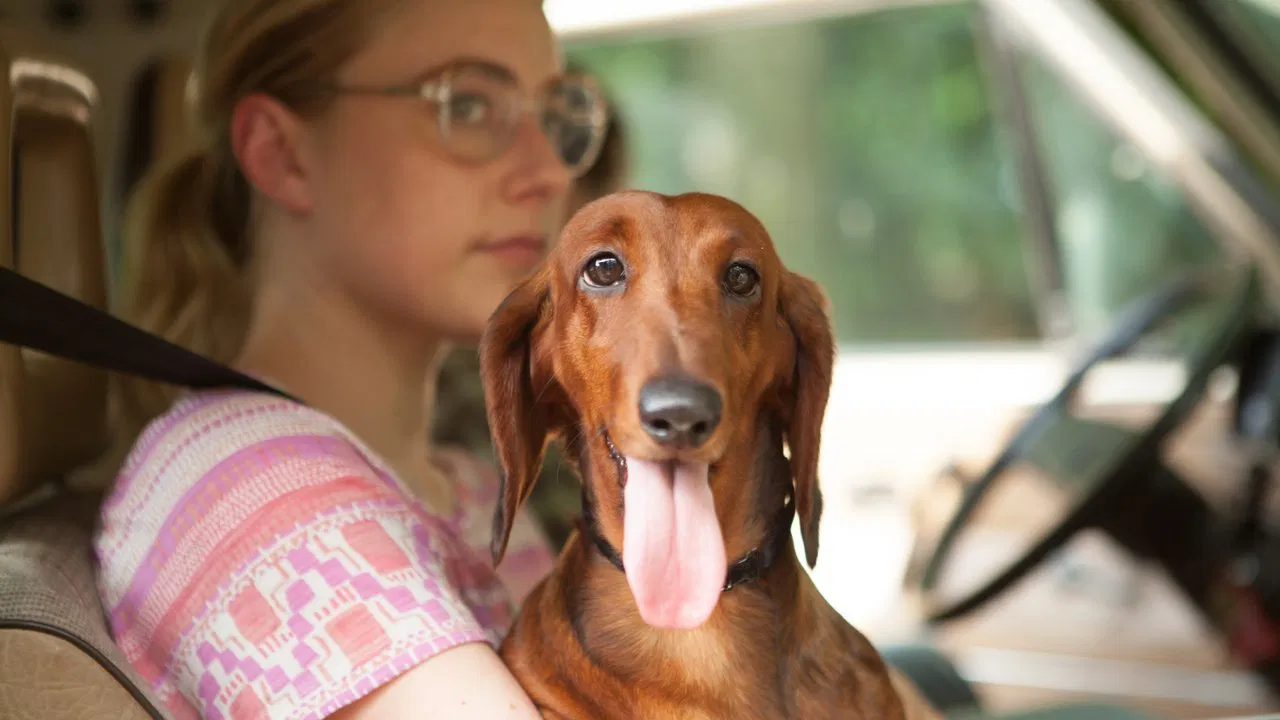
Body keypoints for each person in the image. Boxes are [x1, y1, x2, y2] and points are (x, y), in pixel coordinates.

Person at [94, 0, 609, 717]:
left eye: (554, 113)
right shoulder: (250, 489)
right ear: (282, 154)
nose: (549, 172)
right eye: (467, 104)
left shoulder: (464, 488)